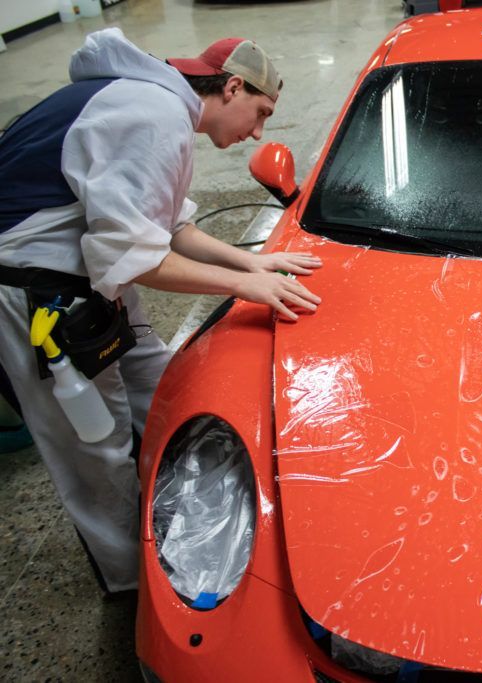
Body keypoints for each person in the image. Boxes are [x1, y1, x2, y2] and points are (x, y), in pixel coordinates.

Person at [0, 28, 322, 593]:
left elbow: (170, 228)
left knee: (159, 385)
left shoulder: (150, 101)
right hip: (33, 296)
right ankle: (134, 584)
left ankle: (175, 508)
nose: (257, 132)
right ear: (232, 86)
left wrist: (255, 266)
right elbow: (131, 256)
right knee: (93, 448)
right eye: (260, 111)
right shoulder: (153, 113)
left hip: (84, 282)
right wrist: (248, 288)